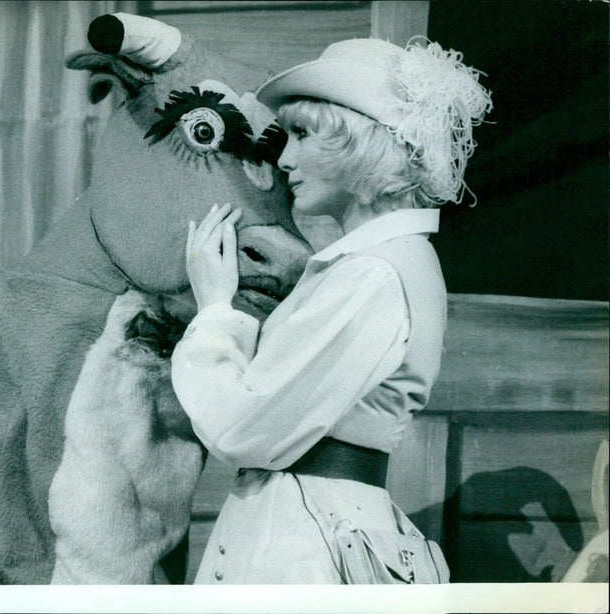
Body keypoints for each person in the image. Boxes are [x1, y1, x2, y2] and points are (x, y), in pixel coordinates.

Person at [170, 36, 492, 584]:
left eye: (302, 135)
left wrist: (216, 311)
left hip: (305, 541)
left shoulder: (373, 273)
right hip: (310, 522)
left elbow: (245, 428)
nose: (286, 158)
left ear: (358, 144)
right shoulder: (376, 263)